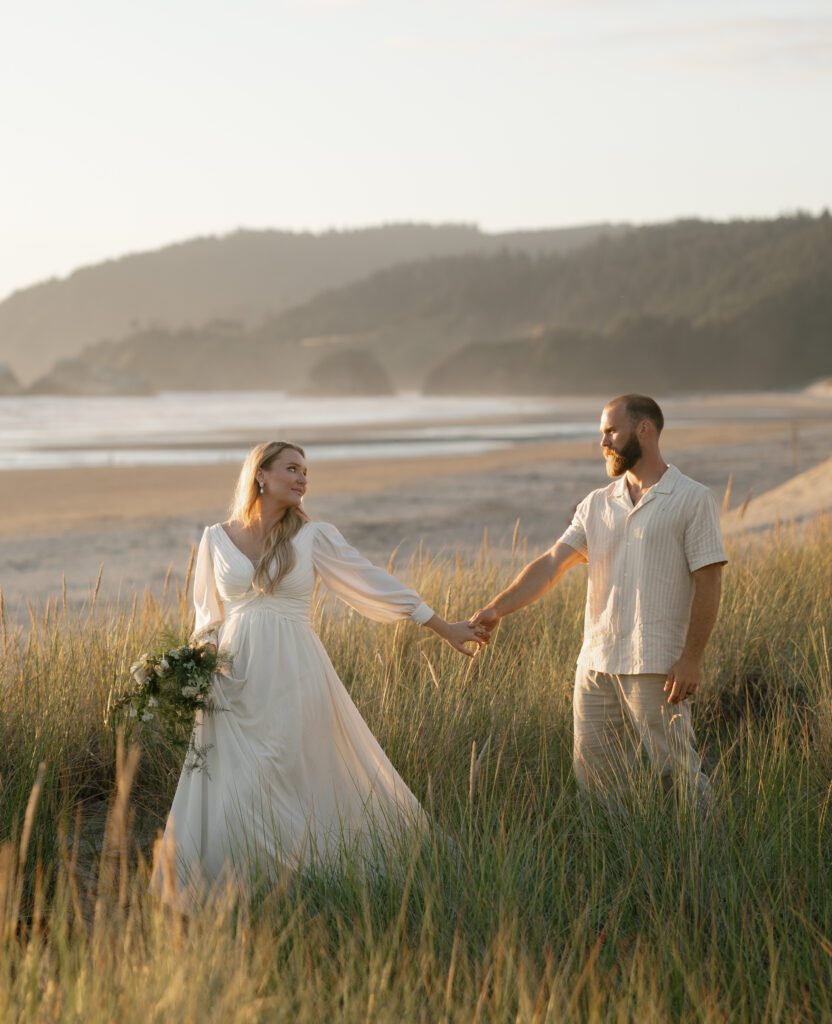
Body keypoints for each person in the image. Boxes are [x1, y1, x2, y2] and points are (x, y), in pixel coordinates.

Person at [151, 440, 486, 910]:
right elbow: (207, 617)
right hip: (232, 677)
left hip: (294, 669)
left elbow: (371, 580)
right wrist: (195, 664)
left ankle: (305, 878)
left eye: (306, 471)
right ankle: (235, 890)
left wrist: (441, 624)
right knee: (232, 781)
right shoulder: (215, 538)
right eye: (292, 468)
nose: (303, 478)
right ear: (260, 475)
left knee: (285, 770)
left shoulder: (313, 537)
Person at [471, 394, 727, 804]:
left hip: (656, 665)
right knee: (596, 780)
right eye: (601, 433)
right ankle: (619, 859)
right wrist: (498, 607)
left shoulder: (692, 498)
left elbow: (709, 581)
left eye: (611, 431)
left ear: (643, 430)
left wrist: (692, 657)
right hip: (595, 665)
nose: (603, 442)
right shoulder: (596, 504)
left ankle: (707, 858)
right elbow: (552, 563)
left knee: (677, 772)